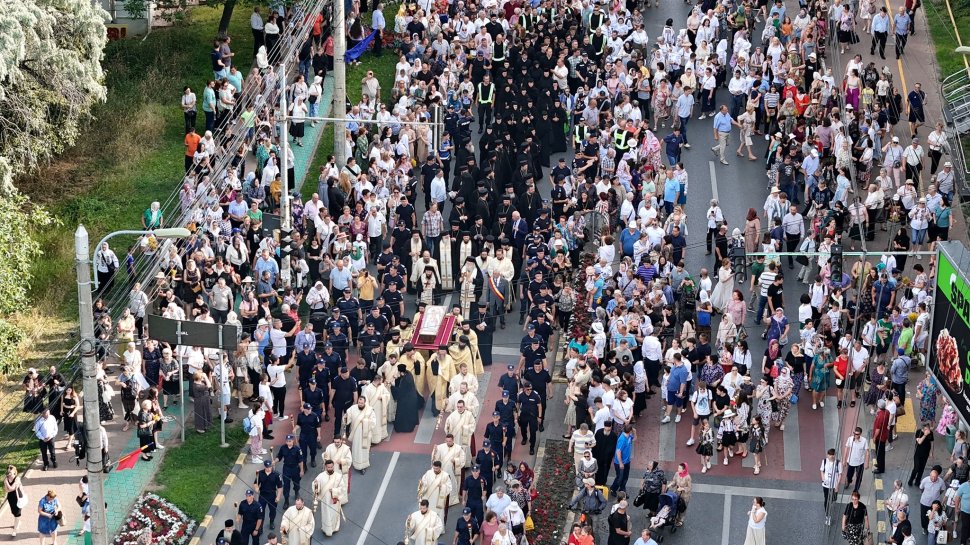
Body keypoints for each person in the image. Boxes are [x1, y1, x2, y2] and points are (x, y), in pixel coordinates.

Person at [312, 459, 347, 536]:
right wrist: (315, 485)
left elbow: (343, 488)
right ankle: (326, 529)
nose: (330, 469)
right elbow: (315, 484)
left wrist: (334, 490)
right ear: (325, 467)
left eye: (331, 467)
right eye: (328, 467)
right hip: (325, 501)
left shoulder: (338, 476)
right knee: (326, 515)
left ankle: (334, 528)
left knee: (334, 514)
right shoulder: (321, 476)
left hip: (334, 500)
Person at [5, 465, 24, 537]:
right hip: (11, 498)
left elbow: (12, 488)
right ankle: (18, 522)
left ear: (14, 471)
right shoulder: (7, 479)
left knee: (17, 513)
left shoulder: (17, 478)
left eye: (11, 468)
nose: (9, 470)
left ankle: (15, 530)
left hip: (18, 497)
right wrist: (7, 482)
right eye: (8, 468)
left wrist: (6, 482)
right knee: (13, 512)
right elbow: (7, 490)